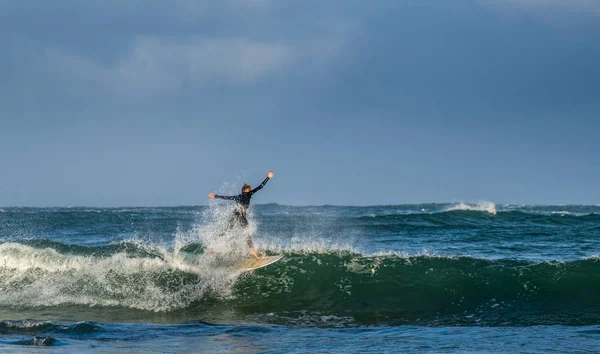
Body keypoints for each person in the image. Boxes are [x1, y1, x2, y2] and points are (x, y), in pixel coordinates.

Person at [208, 171, 274, 259]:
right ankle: (251, 250)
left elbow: (226, 197)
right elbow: (260, 187)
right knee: (247, 232)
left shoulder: (239, 196)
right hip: (240, 215)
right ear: (247, 190)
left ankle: (212, 246)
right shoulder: (249, 194)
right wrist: (268, 177)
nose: (247, 192)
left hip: (236, 215)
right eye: (247, 190)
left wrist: (215, 196)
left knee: (227, 231)